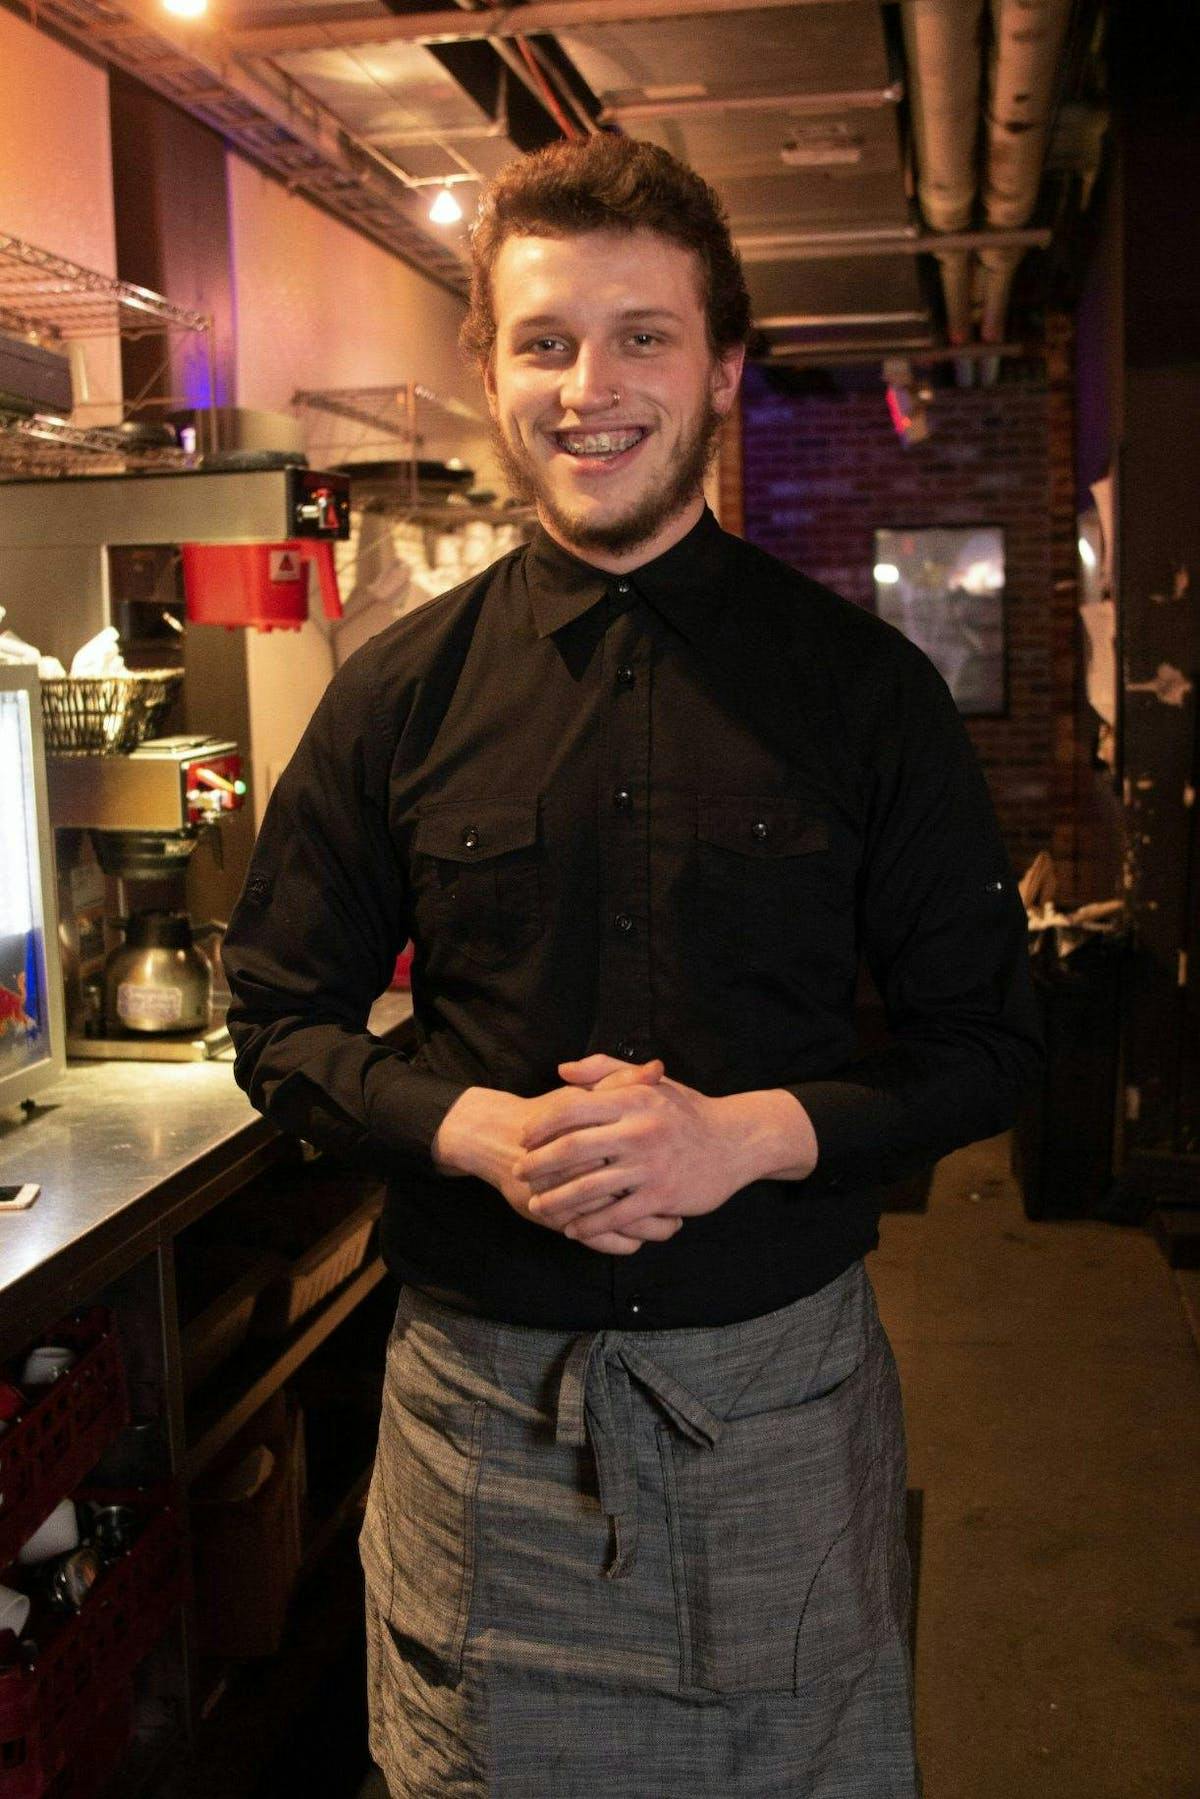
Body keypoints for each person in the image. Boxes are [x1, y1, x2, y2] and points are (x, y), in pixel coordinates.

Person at [222, 134, 1043, 1798]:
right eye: (546, 342)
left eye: (642, 337)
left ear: (723, 367)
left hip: (780, 1410)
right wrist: (473, 1131)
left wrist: (743, 1137)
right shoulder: (394, 697)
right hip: (479, 1424)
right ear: (492, 374)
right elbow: (279, 1020)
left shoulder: (865, 694)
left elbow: (990, 1042)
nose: (591, 388)